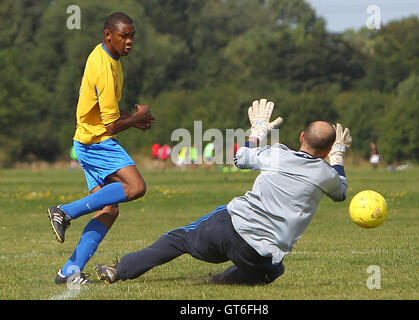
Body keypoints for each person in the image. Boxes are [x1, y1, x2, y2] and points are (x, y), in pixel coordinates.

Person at [95, 98, 352, 286]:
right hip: (259, 253)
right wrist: (338, 158)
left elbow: (240, 158)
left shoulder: (277, 154)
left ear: (302, 136)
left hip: (229, 227)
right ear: (328, 151)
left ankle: (120, 270)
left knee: (179, 239)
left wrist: (258, 131)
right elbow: (340, 193)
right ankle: (216, 282)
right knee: (272, 271)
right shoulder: (326, 174)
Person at [46, 12, 156, 285]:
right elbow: (111, 127)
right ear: (108, 35)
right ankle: (65, 211)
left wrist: (134, 121)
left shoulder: (108, 57)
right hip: (97, 141)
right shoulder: (105, 67)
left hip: (87, 140)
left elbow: (107, 111)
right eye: (124, 36)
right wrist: (136, 119)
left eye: (132, 36)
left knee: (109, 209)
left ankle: (69, 271)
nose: (129, 41)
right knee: (136, 187)